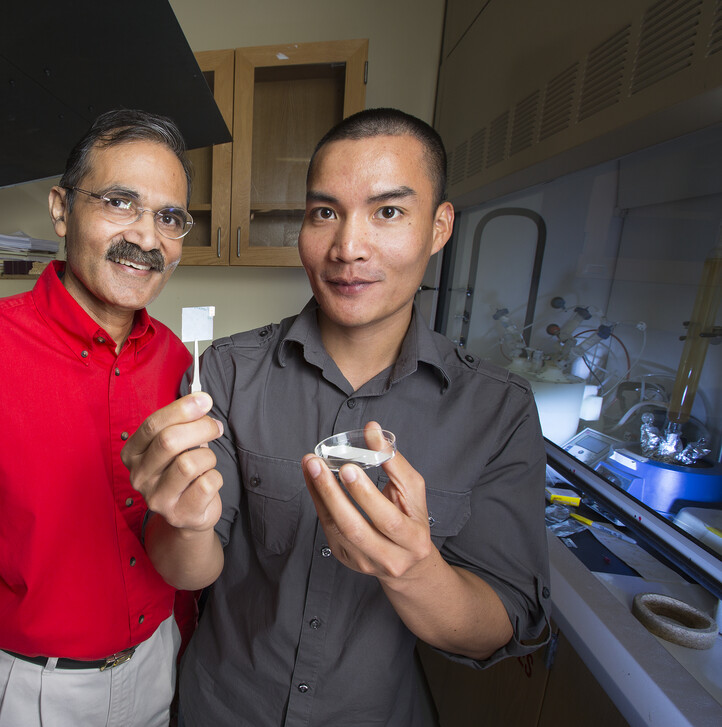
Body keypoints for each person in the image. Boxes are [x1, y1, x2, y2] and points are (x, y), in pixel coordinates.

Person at [123, 108, 552, 726]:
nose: (348, 247)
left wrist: (415, 568)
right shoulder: (227, 372)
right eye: (325, 212)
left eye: (388, 212)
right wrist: (182, 521)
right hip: (221, 709)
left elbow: (496, 629)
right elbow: (186, 571)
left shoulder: (498, 410)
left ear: (439, 227)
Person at [0, 109, 199, 727]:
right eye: (121, 202)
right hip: (29, 692)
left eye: (169, 217)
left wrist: (177, 643)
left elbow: (177, 535)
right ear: (61, 209)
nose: (148, 238)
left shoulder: (175, 362)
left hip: (156, 665)